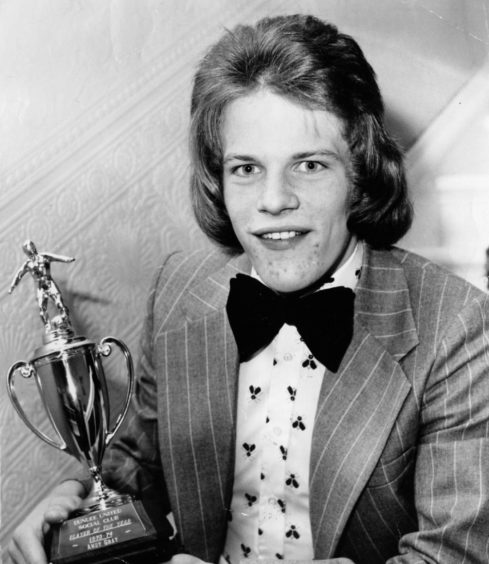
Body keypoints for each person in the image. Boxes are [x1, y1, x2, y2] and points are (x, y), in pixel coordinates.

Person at [8, 14, 489, 564]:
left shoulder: (458, 326)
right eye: (245, 168)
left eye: (309, 164)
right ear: (218, 177)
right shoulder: (179, 290)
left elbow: (454, 554)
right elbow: (139, 463)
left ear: (361, 173)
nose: (273, 199)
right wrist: (76, 502)